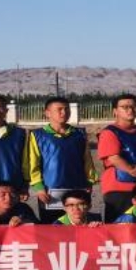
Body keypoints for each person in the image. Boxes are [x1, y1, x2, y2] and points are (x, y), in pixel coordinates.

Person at [26, 96, 98, 224]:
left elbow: (87, 160)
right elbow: (33, 164)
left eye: (66, 109)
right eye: (59, 109)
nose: (64, 112)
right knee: (52, 227)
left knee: (78, 224)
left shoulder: (79, 134)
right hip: (50, 192)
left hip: (77, 190)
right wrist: (38, 187)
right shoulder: (37, 135)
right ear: (47, 113)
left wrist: (89, 182)